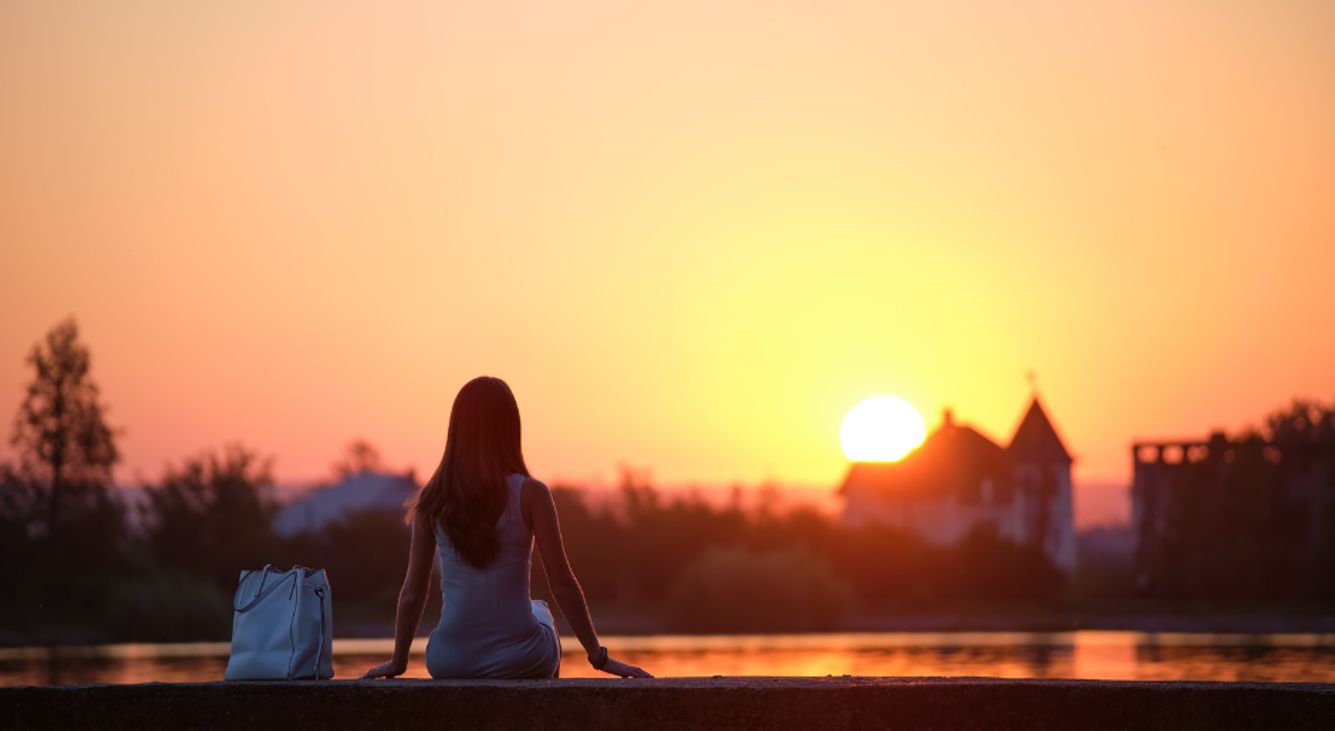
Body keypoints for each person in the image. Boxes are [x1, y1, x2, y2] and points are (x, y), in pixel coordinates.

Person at [364, 376, 651, 680]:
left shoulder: (433, 499)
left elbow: (413, 591)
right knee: (539, 610)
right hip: (520, 657)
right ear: (510, 429)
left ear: (456, 431)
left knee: (515, 614)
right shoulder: (531, 494)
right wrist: (599, 658)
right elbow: (562, 584)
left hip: (449, 659)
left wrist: (398, 662)